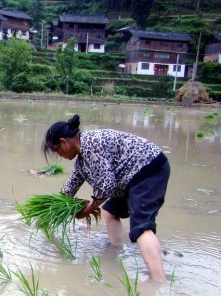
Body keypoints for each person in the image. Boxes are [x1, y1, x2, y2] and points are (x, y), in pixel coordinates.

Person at [42, 115, 170, 283]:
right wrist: (53, 208)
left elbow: (107, 185)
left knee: (141, 226)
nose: (60, 156)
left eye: (58, 151)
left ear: (64, 141)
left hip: (148, 169)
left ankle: (159, 281)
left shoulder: (91, 144)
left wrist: (86, 210)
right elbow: (71, 187)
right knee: (110, 211)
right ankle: (116, 250)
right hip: (128, 178)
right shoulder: (82, 160)